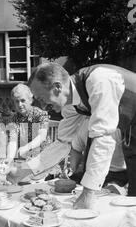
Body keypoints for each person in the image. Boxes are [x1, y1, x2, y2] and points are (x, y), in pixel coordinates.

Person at [8, 62, 136, 209]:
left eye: (42, 99)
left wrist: (88, 193)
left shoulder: (99, 80)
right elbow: (62, 144)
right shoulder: (71, 105)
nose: (42, 107)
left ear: (57, 87)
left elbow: (103, 139)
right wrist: (24, 170)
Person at [70, 118, 128, 192]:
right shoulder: (86, 123)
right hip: (90, 173)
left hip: (116, 177)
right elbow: (76, 149)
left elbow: (76, 150)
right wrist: (75, 171)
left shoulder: (121, 126)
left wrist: (125, 188)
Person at [5, 83, 49, 163]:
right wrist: (9, 158)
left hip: (42, 158)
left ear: (30, 100)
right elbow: (12, 141)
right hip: (24, 159)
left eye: (23, 100)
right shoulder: (13, 119)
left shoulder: (40, 114)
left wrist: (26, 147)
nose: (20, 105)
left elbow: (42, 137)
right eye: (16, 101)